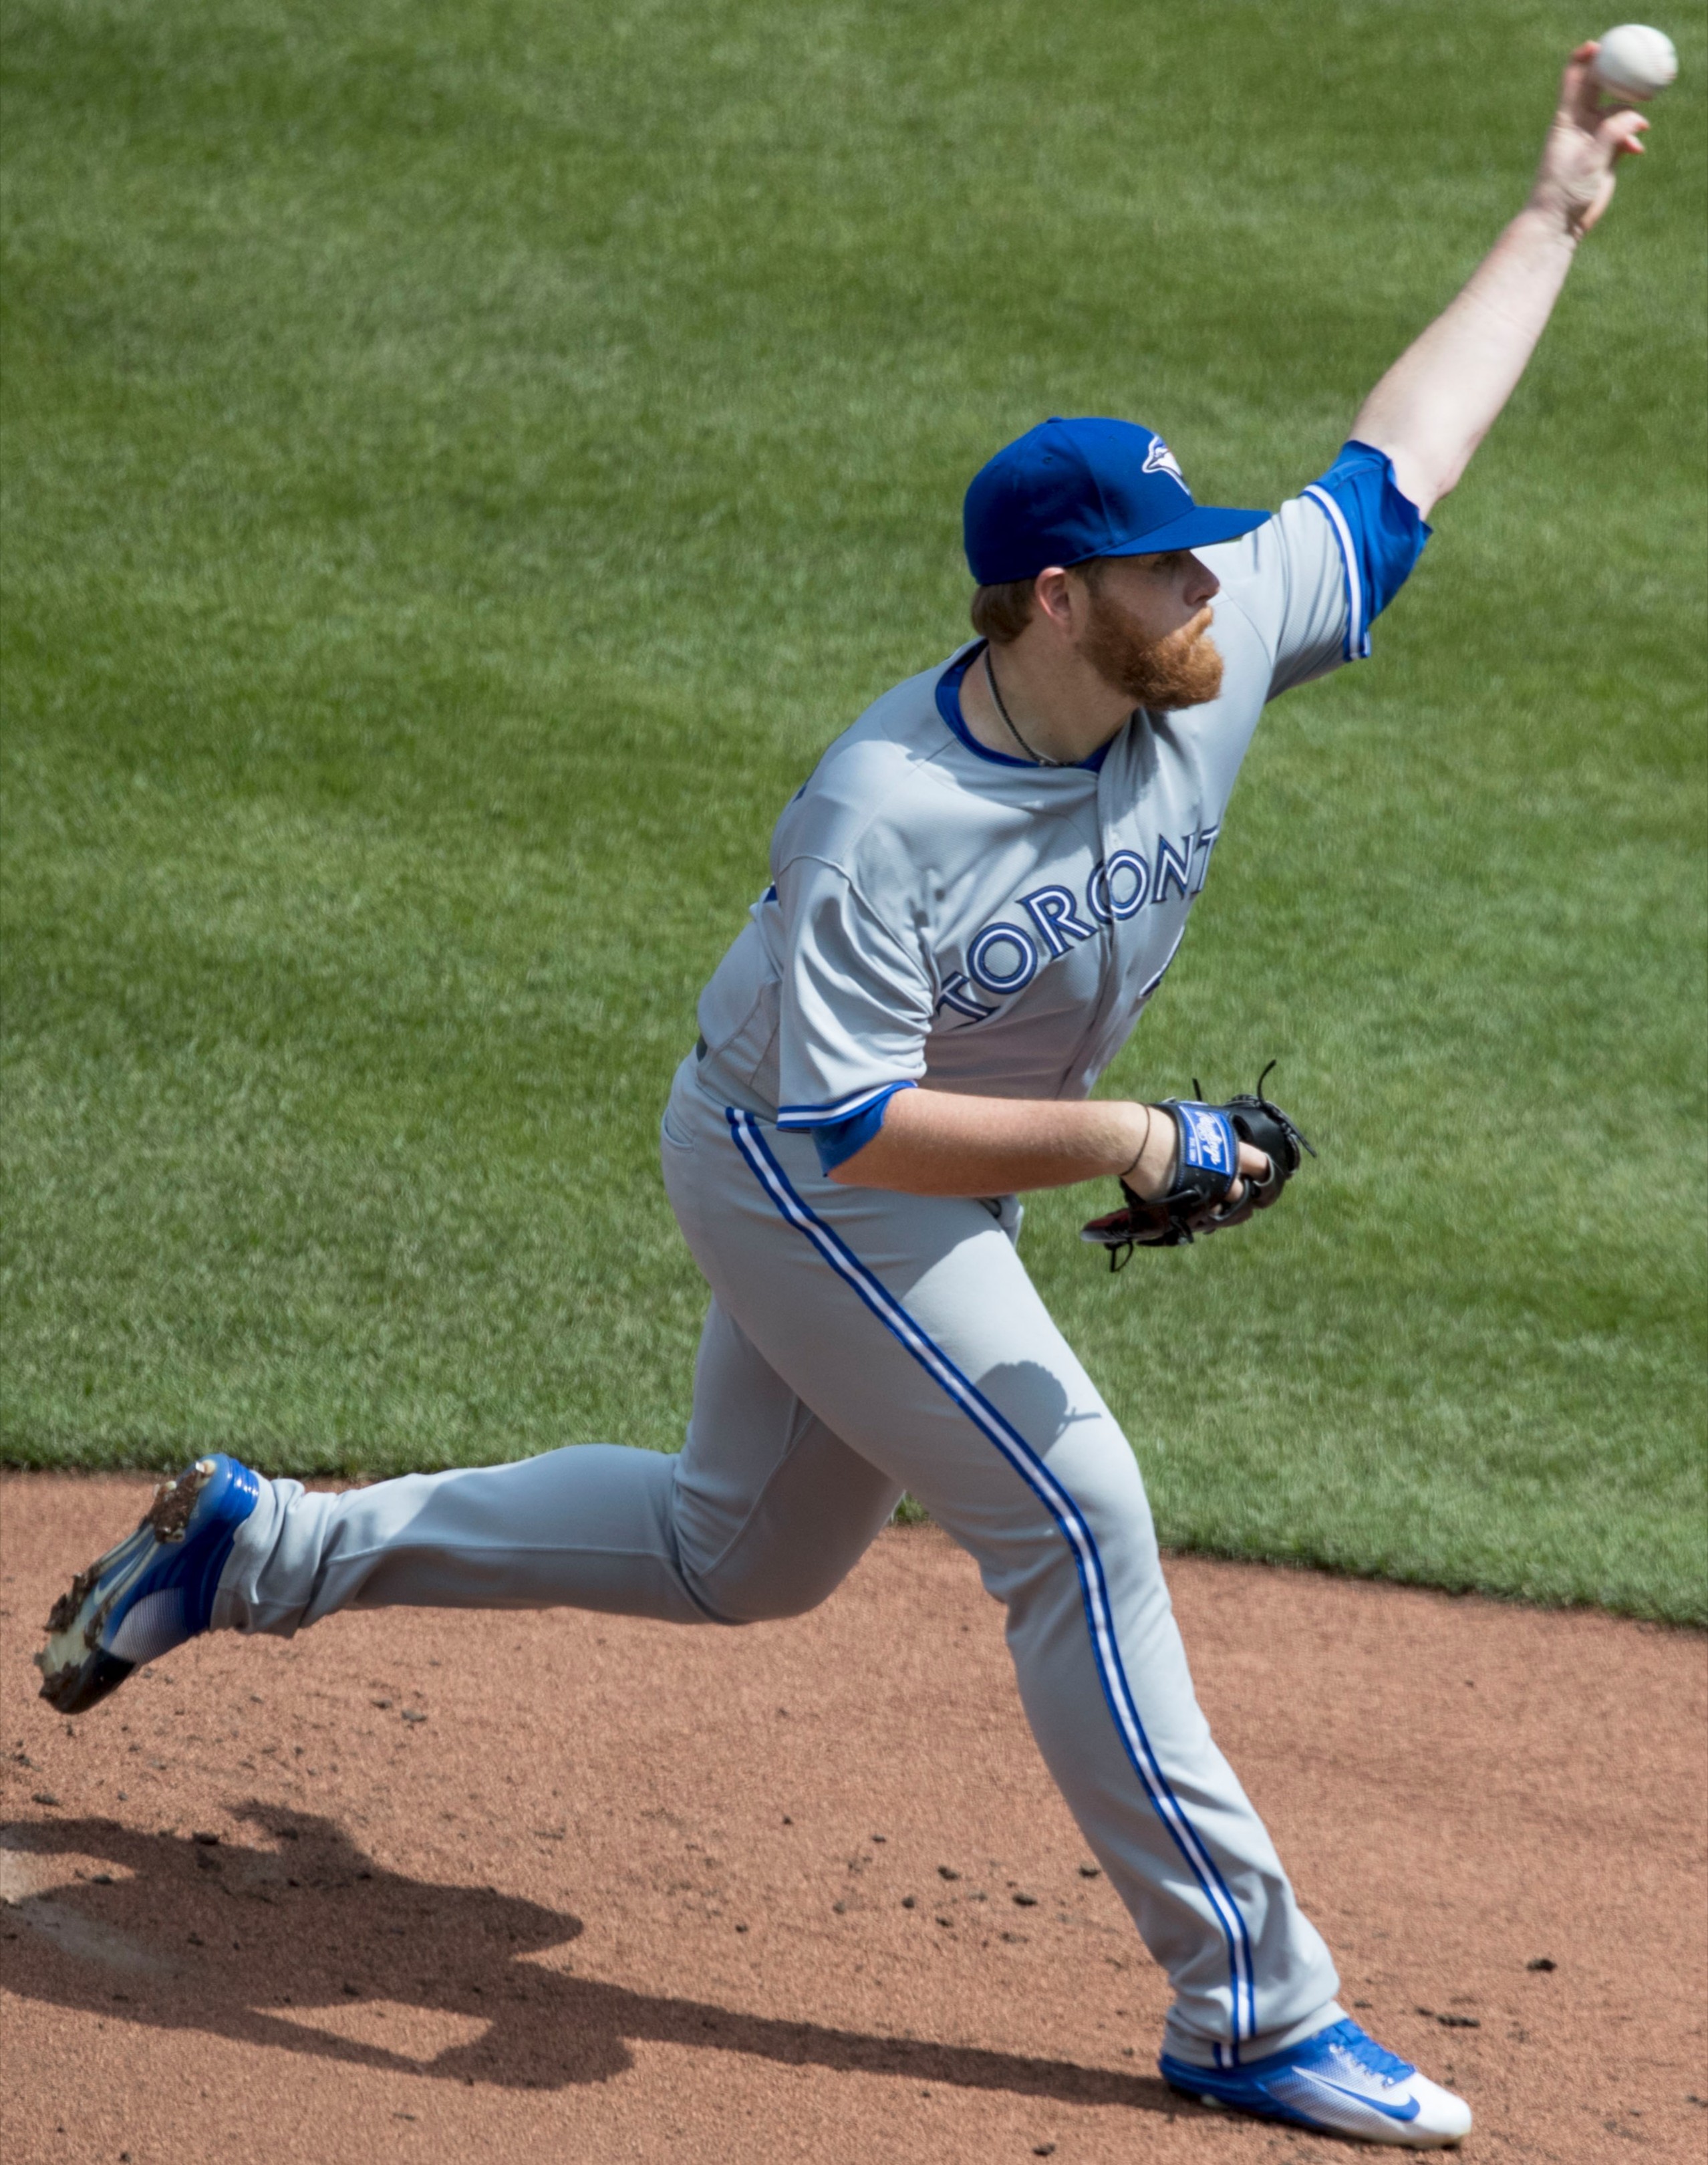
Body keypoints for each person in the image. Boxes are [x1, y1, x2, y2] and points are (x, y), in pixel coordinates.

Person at [36, 46, 1651, 2147]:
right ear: (1052, 599)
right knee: (1075, 1520)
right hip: (807, 1167)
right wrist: (1135, 1137)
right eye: (1162, 564)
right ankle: (1247, 2001)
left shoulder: (1210, 639)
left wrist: (1543, 216)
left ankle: (264, 1552)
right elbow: (853, 1137)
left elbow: (1396, 465)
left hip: (889, 1152)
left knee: (742, 1558)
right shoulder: (880, 816)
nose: (1209, 582)